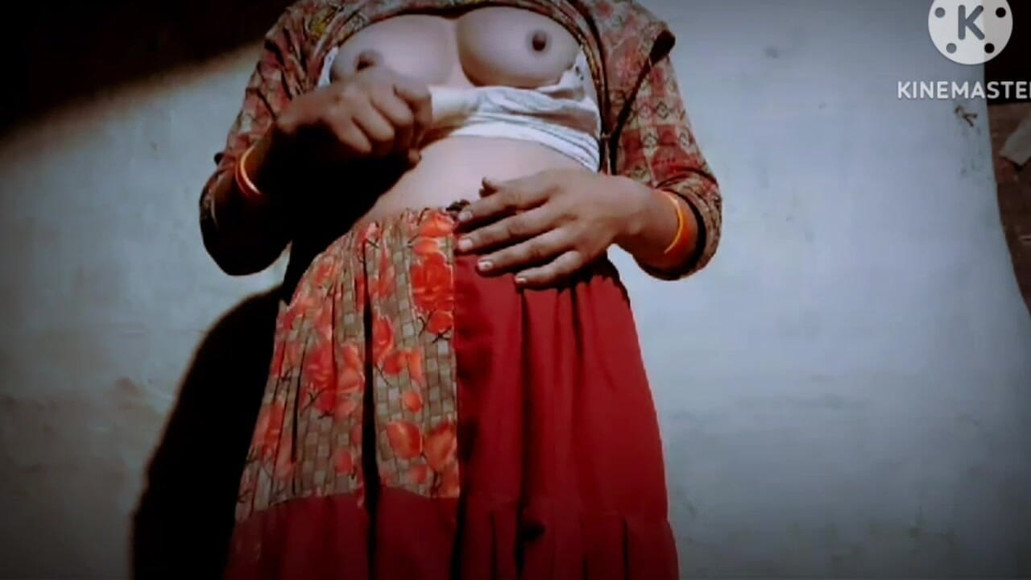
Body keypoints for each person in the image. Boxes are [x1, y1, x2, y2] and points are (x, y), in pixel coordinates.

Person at [198, 0, 722, 577]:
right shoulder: (316, 19)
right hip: (359, 336)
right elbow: (229, 239)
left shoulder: (601, 14)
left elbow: (694, 208)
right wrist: (283, 142)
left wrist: (628, 207)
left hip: (549, 328)